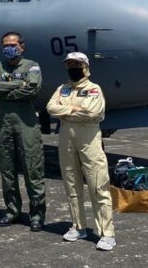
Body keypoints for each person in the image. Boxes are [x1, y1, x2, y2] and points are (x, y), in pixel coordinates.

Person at [46, 52, 116, 251]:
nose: (72, 68)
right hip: (66, 137)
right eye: (69, 64)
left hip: (89, 138)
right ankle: (78, 226)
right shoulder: (62, 89)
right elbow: (51, 107)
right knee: (71, 182)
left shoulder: (94, 89)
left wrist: (66, 111)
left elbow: (93, 112)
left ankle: (107, 233)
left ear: (85, 67)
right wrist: (75, 111)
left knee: (97, 183)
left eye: (76, 64)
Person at [0, 31, 46, 231]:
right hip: (4, 124)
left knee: (32, 168)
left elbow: (32, 89)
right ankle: (12, 211)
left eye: (13, 44)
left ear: (22, 46)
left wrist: (5, 91)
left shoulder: (32, 66)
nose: (9, 48)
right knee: (7, 171)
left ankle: (37, 214)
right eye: (5, 45)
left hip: (26, 123)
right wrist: (18, 84)